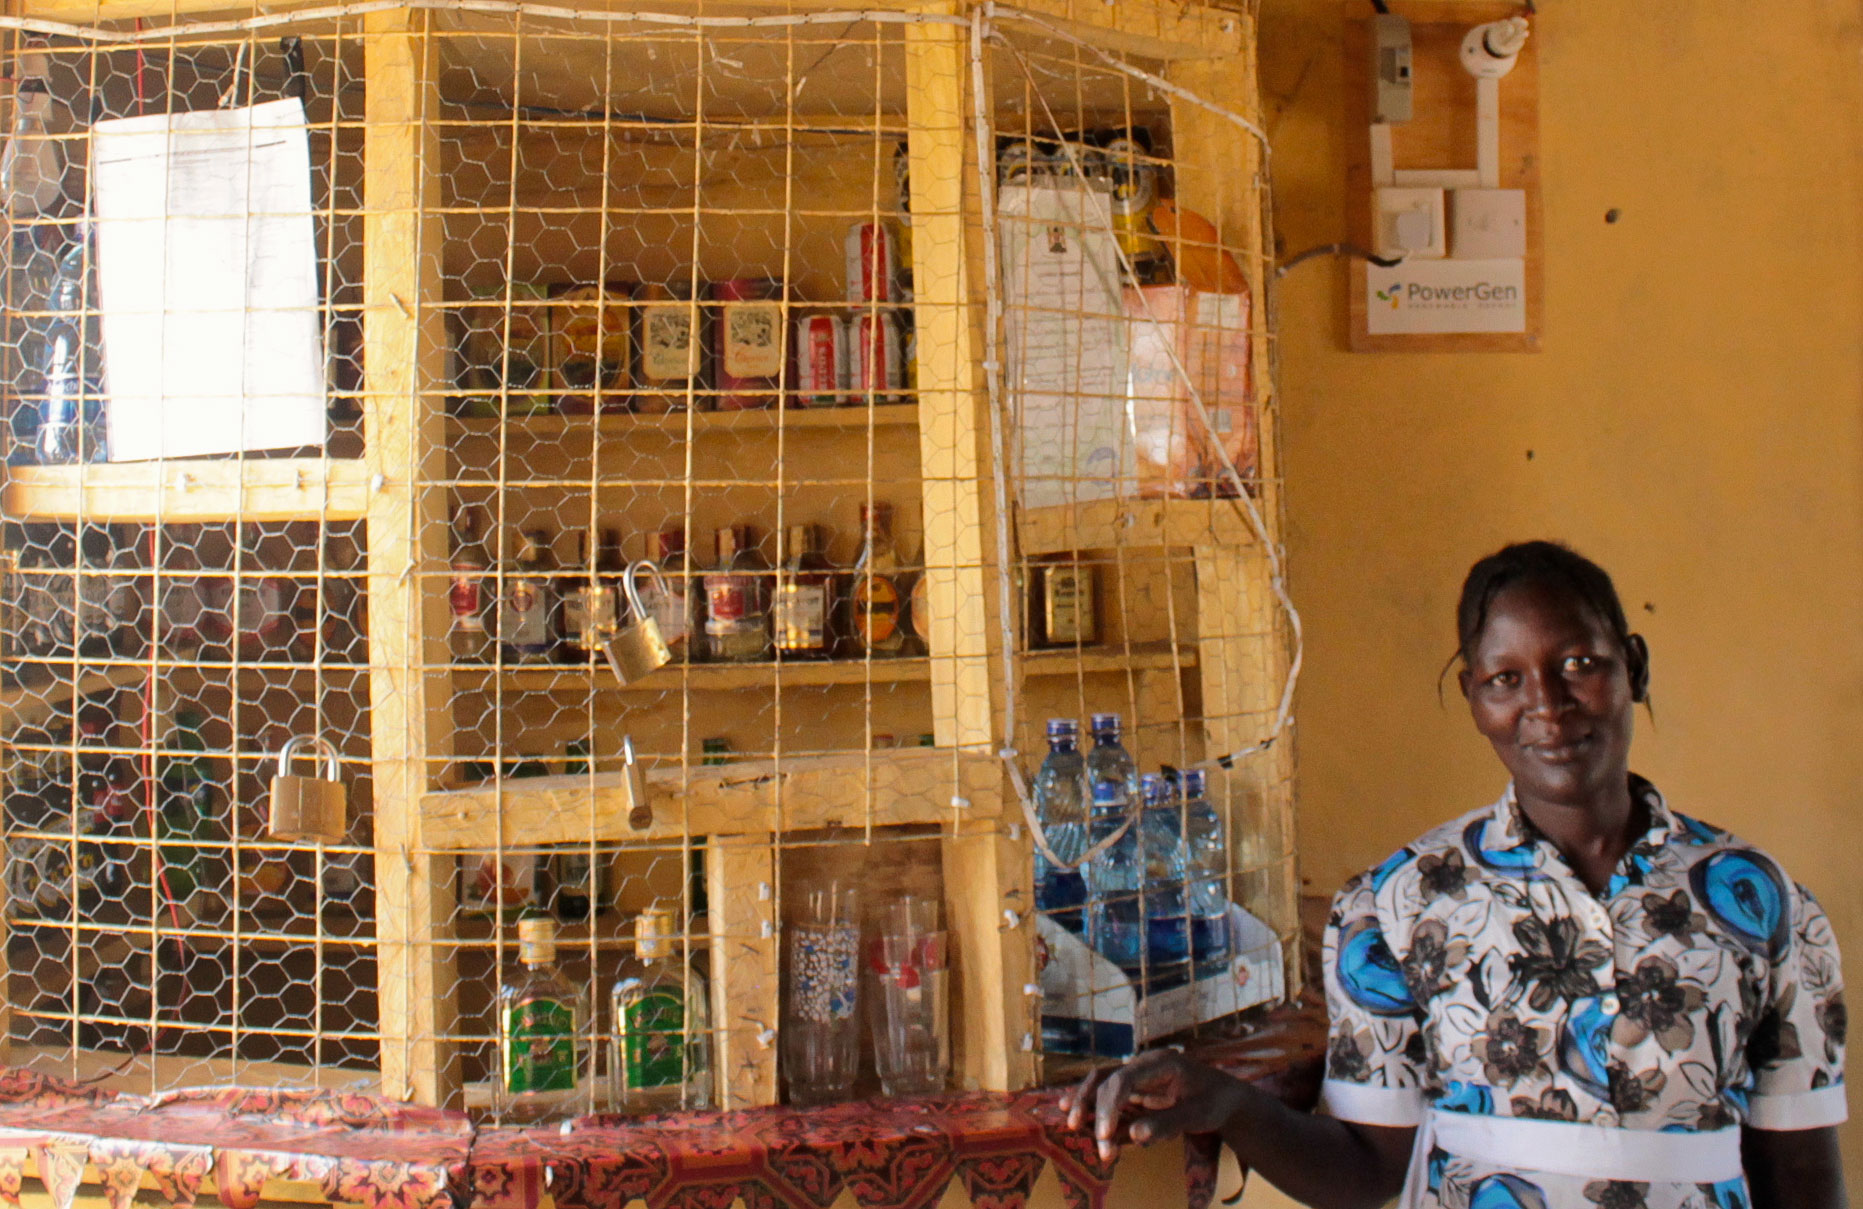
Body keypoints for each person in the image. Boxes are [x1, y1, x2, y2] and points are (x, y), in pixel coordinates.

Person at [1063, 541, 1847, 1209]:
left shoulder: (1757, 901)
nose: (1546, 703)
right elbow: (1368, 1167)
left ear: (1632, 666)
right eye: (1504, 679)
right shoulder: (1399, 904)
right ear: (1472, 697)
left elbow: (1802, 1174)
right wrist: (1226, 1102)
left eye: (1578, 662)